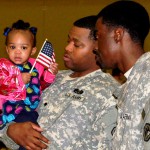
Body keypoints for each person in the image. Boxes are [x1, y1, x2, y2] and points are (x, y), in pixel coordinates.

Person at [0, 15, 120, 150]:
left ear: (98, 47)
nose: (67, 47)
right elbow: (8, 109)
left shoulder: (110, 92)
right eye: (68, 41)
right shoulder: (52, 77)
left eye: (76, 44)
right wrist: (10, 130)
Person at [93, 1, 150, 149]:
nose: (95, 46)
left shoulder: (147, 78)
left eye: (98, 37)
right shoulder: (130, 85)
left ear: (118, 35)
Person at [0, 20, 58, 149]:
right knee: (29, 135)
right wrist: (18, 79)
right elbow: (3, 86)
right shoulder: (4, 66)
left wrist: (51, 73)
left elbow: (44, 83)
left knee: (34, 130)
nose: (18, 52)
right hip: (11, 108)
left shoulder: (35, 65)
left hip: (29, 109)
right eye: (13, 47)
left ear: (33, 50)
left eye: (24, 47)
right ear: (6, 49)